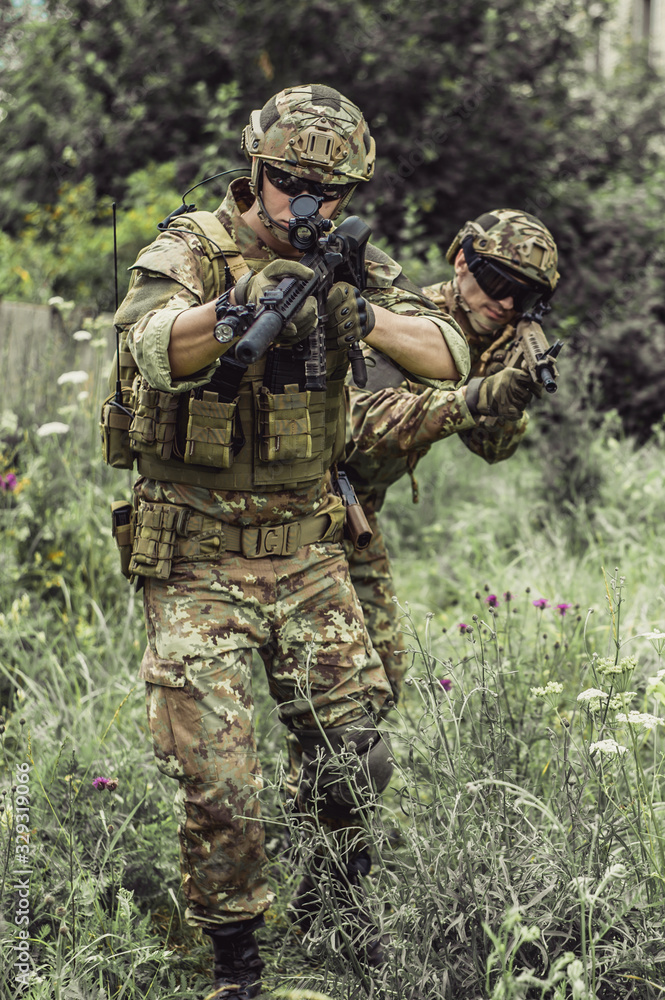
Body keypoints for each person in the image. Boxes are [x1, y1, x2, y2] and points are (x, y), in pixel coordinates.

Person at [109, 84, 470, 999]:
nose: (306, 204)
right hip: (194, 552)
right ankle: (237, 962)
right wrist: (235, 307)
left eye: (328, 191)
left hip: (307, 549)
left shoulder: (351, 260)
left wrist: (364, 317)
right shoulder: (191, 248)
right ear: (255, 168)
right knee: (221, 781)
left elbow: (450, 352)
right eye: (289, 184)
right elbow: (149, 344)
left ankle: (332, 906)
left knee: (356, 751)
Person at [339, 209, 560, 700]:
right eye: (498, 281)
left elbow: (492, 450)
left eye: (524, 295)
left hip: (358, 510)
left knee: (383, 675)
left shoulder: (499, 339)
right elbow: (360, 425)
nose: (506, 302)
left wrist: (508, 391)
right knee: (340, 686)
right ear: (462, 261)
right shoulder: (410, 319)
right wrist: (475, 396)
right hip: (308, 497)